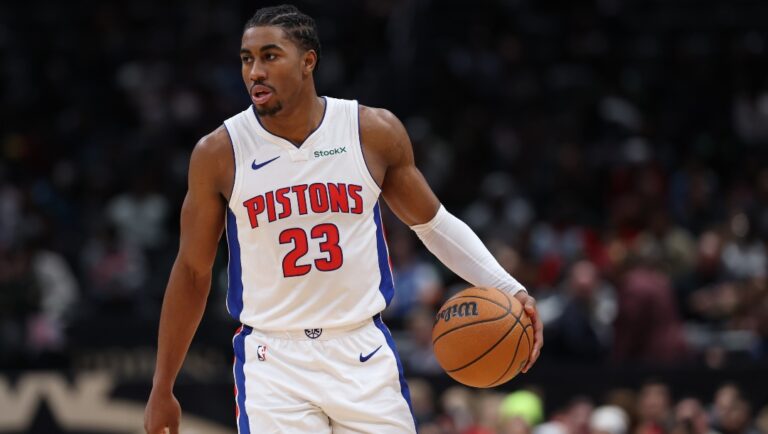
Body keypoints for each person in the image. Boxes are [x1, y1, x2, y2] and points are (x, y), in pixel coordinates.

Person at [143, 4, 543, 433]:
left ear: (308, 61)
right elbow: (191, 270)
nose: (255, 71)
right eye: (247, 58)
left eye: (270, 56)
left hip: (362, 353)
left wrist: (509, 287)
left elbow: (434, 225)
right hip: (274, 360)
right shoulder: (219, 153)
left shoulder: (370, 131)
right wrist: (162, 385)